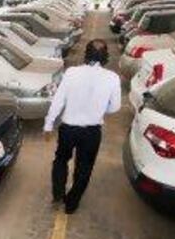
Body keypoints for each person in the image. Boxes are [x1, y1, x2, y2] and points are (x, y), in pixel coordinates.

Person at [43, 39, 121, 214]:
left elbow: (58, 100)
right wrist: (99, 110)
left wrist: (48, 125)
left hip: (68, 129)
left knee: (61, 160)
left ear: (87, 54)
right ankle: (71, 204)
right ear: (106, 56)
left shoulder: (71, 73)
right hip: (92, 132)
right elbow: (115, 107)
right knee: (84, 167)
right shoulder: (112, 78)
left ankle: (58, 195)